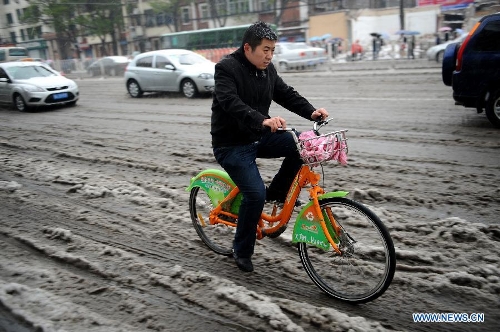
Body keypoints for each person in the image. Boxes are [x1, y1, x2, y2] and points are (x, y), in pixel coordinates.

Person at [210, 22, 328, 273]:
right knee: (254, 195)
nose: (269, 56)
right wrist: (262, 120)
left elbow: (285, 94)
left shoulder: (267, 70)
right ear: (248, 48)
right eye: (265, 50)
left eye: (273, 50)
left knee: (300, 144)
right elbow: (230, 102)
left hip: (258, 136)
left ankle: (277, 192)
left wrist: (311, 111)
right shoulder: (226, 68)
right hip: (231, 145)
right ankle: (241, 250)